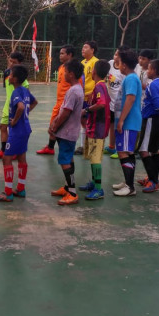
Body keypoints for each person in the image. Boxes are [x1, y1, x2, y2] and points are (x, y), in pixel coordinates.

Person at [0, 65, 37, 202]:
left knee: (7, 158)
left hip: (17, 131)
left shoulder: (16, 92)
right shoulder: (25, 90)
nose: (8, 77)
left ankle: (8, 192)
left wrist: (15, 120)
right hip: (26, 129)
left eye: (10, 75)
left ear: (15, 79)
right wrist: (25, 115)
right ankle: (21, 189)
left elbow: (21, 107)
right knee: (22, 157)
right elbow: (34, 102)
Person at [49, 59, 85, 205]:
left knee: (65, 161)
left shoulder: (73, 91)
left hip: (67, 132)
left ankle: (72, 193)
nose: (62, 75)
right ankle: (67, 187)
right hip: (70, 131)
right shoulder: (76, 89)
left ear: (71, 74)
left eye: (64, 72)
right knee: (68, 159)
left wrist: (55, 126)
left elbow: (66, 113)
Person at [135, 59, 159, 193]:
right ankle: (152, 179)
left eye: (148, 69)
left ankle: (153, 180)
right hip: (158, 120)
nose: (147, 71)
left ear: (154, 71)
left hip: (150, 119)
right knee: (154, 150)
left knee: (143, 150)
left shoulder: (152, 85)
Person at [78, 60, 111, 199]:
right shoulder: (100, 86)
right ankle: (93, 182)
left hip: (98, 128)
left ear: (94, 72)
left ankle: (98, 189)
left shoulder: (99, 87)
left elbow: (102, 103)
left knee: (96, 158)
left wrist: (86, 109)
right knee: (92, 157)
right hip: (94, 127)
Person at [112, 49, 142, 197]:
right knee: (126, 152)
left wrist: (122, 120)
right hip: (128, 121)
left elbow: (130, 99)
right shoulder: (131, 78)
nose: (118, 63)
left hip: (128, 121)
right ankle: (128, 182)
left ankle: (130, 187)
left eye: (119, 61)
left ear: (124, 64)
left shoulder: (130, 79)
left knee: (123, 152)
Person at [37, 45, 76, 155]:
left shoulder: (73, 69)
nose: (60, 55)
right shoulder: (61, 67)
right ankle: (50, 147)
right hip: (59, 102)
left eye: (62, 53)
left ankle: (62, 150)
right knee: (53, 125)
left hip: (66, 104)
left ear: (70, 55)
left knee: (59, 126)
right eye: (60, 53)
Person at [0, 52, 29, 158]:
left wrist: (24, 110)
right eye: (10, 61)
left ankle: (14, 152)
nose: (11, 64)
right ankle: (3, 150)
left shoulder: (22, 79)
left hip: (16, 107)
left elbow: (26, 95)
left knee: (14, 130)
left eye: (14, 62)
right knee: (2, 127)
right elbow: (8, 90)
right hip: (8, 106)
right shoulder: (7, 73)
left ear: (20, 63)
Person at [75, 41, 99, 154]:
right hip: (82, 96)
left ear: (92, 50)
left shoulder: (96, 62)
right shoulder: (82, 62)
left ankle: (91, 146)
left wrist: (93, 93)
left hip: (91, 97)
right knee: (82, 121)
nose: (83, 49)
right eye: (82, 47)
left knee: (91, 121)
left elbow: (98, 79)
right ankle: (82, 146)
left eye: (85, 47)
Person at [104, 49, 125, 156]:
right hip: (110, 102)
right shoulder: (110, 64)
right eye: (115, 53)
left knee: (119, 126)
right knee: (112, 125)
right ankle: (112, 146)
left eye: (117, 54)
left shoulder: (123, 70)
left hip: (120, 103)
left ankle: (120, 148)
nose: (115, 56)